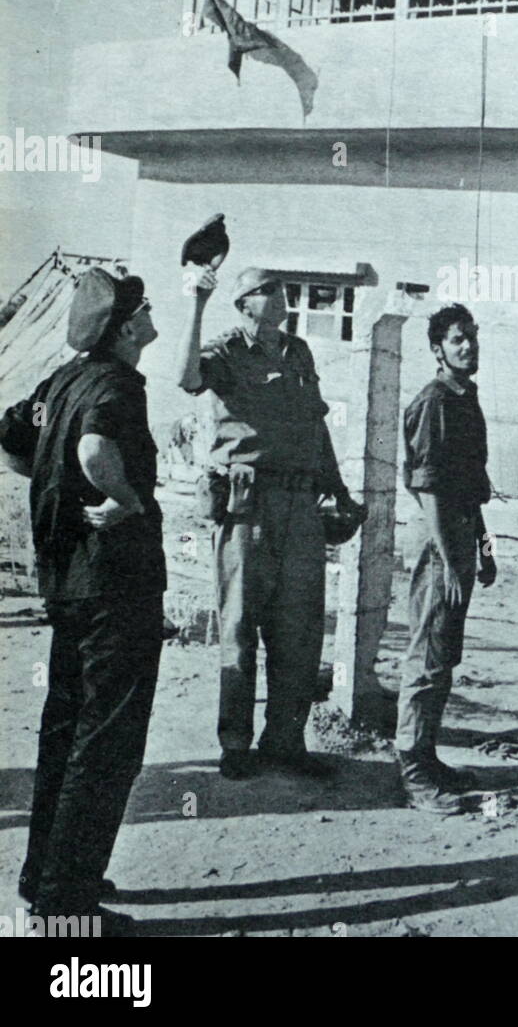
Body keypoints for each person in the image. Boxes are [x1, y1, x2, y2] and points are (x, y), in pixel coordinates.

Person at [0, 268, 164, 933]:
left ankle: (47, 880)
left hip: (67, 584)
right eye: (144, 308)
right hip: (116, 586)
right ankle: (65, 911)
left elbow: (11, 440)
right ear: (126, 327)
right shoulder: (117, 383)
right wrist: (124, 500)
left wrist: (58, 482)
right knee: (107, 743)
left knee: (65, 732)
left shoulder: (62, 380)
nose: (152, 313)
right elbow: (96, 447)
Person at [176, 265, 356, 779]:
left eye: (280, 290)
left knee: (299, 627)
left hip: (301, 504)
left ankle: (285, 741)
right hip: (247, 505)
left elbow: (316, 424)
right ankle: (235, 744)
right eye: (264, 292)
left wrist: (337, 486)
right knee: (239, 625)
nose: (278, 298)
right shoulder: (227, 349)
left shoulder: (299, 352)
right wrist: (195, 303)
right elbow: (188, 378)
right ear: (244, 305)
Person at [396, 303, 496, 814]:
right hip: (439, 541)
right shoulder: (435, 401)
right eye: (458, 339)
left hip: (459, 535)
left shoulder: (464, 397)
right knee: (428, 656)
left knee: (445, 652)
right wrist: (449, 556)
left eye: (473, 337)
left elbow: (470, 489)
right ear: (438, 349)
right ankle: (413, 772)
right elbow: (428, 487)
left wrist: (482, 550)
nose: (468, 345)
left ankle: (428, 757)